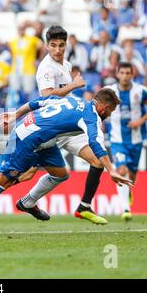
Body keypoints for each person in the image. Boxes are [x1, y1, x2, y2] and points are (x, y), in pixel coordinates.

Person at [0, 89, 133, 218]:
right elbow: (95, 142)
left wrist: (17, 113)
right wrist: (111, 170)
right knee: (5, 180)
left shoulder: (74, 101)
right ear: (105, 107)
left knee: (60, 173)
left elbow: (42, 100)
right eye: (110, 112)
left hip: (43, 139)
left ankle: (27, 202)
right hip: (27, 138)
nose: (108, 116)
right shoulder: (91, 117)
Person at [31, 26, 112, 224]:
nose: (57, 50)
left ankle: (84, 206)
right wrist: (74, 85)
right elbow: (46, 96)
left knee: (97, 161)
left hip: (68, 127)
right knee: (24, 173)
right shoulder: (46, 68)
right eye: (53, 45)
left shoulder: (66, 65)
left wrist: (77, 98)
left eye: (61, 45)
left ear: (66, 44)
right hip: (50, 127)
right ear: (47, 46)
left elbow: (64, 95)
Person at [105, 62, 147, 220]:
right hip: (117, 139)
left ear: (133, 74)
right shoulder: (109, 91)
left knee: (132, 175)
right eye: (123, 73)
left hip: (136, 139)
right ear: (117, 73)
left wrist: (140, 122)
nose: (125, 76)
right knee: (121, 171)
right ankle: (126, 209)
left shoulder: (141, 91)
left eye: (128, 73)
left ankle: (128, 193)